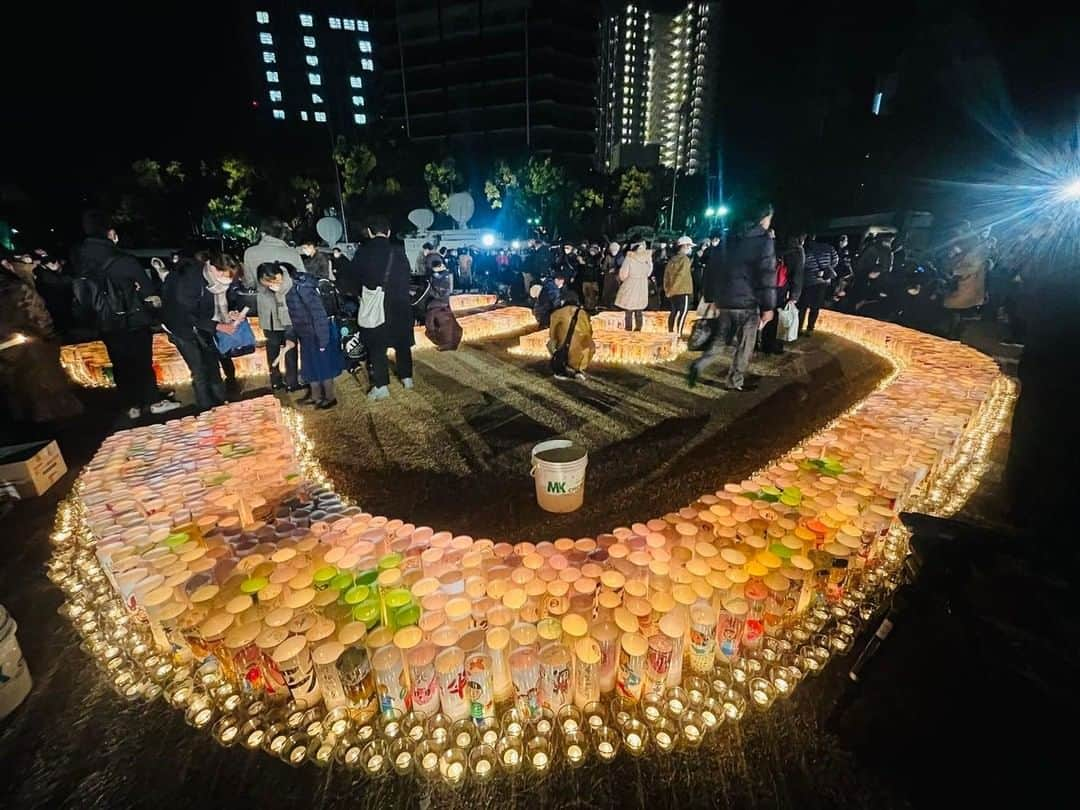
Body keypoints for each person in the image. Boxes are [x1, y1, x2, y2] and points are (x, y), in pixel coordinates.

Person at [73, 211, 180, 419]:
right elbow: (148, 291)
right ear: (111, 233)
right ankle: (153, 401)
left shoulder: (81, 262)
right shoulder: (123, 260)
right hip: (133, 319)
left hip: (104, 322)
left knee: (120, 364)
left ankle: (132, 406)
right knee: (141, 362)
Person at [688, 203, 777, 391]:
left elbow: (714, 267)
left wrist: (711, 296)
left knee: (721, 339)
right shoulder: (763, 240)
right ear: (764, 218)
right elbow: (767, 273)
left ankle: (699, 364)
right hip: (748, 302)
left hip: (725, 300)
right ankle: (734, 380)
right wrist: (768, 306)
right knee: (745, 344)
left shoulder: (729, 238)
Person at [339, 214, 415, 402]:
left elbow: (350, 281)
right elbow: (407, 277)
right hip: (401, 305)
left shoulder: (363, 253)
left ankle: (381, 386)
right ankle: (407, 378)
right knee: (402, 344)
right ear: (388, 232)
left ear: (370, 233)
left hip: (377, 307)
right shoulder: (399, 251)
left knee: (377, 347)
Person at [0, 252, 83, 423]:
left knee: (16, 390)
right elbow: (38, 315)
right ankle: (58, 426)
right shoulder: (15, 287)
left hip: (5, 350)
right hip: (30, 346)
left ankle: (25, 423)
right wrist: (49, 336)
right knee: (45, 387)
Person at [161, 251, 244, 411]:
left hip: (204, 325)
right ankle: (206, 409)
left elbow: (217, 304)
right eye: (224, 275)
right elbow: (186, 314)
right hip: (181, 327)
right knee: (199, 370)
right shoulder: (190, 279)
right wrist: (218, 326)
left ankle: (221, 405)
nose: (226, 281)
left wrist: (229, 313)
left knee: (212, 364)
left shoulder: (215, 281)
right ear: (212, 267)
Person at [257, 262, 342, 408]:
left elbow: (318, 314)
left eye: (269, 284)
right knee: (309, 367)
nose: (270, 288)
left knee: (323, 367)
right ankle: (315, 396)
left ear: (277, 277)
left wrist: (323, 340)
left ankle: (330, 397)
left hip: (317, 332)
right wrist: (290, 338)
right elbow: (291, 316)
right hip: (305, 333)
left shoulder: (301, 287)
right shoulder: (284, 290)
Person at [243, 218, 306, 392]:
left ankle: (276, 380)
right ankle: (292, 382)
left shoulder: (251, 252)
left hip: (267, 308)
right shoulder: (291, 253)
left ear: (263, 233)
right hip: (290, 307)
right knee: (291, 343)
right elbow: (302, 277)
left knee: (272, 344)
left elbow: (249, 281)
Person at [942, 234, 988, 339]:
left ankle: (955, 332)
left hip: (969, 286)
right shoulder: (971, 253)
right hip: (966, 285)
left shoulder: (976, 255)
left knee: (957, 306)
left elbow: (971, 268)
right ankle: (955, 331)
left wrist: (954, 271)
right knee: (958, 308)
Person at [547, 290, 594, 381]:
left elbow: (552, 335)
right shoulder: (584, 314)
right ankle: (578, 369)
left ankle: (562, 366)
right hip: (583, 355)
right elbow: (590, 332)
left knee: (551, 343)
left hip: (565, 351)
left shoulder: (557, 313)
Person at [798, 236, 838, 334]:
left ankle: (798, 328)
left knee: (802, 306)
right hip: (823, 282)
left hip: (808, 281)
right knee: (815, 307)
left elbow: (803, 264)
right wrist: (826, 269)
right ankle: (810, 329)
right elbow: (836, 260)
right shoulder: (829, 248)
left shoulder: (806, 249)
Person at [33, 254, 75, 338]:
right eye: (50, 263)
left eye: (54, 262)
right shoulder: (45, 275)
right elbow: (60, 283)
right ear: (44, 265)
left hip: (56, 301)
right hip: (56, 302)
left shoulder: (43, 272)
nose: (53, 265)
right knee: (62, 319)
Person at [615, 241, 652, 331]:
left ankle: (628, 330)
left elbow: (623, 274)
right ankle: (638, 328)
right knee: (639, 309)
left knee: (629, 309)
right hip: (642, 284)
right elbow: (649, 272)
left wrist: (623, 278)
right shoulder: (647, 258)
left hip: (631, 284)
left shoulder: (630, 258)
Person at [664, 236, 695, 335]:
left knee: (674, 312)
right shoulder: (685, 260)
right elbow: (680, 276)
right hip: (683, 291)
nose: (690, 248)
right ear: (684, 246)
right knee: (682, 313)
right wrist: (672, 289)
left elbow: (666, 276)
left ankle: (671, 332)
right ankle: (678, 334)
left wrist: (668, 290)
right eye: (689, 246)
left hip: (672, 292)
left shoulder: (672, 259)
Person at [600, 242, 623, 309]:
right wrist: (607, 270)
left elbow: (623, 267)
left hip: (617, 277)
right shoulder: (608, 257)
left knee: (616, 291)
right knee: (608, 291)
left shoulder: (620, 257)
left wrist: (616, 270)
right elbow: (604, 267)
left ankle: (615, 304)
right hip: (609, 277)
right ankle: (607, 304)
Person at [580, 245, 602, 311]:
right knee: (586, 295)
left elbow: (594, 265)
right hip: (585, 279)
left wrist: (584, 263)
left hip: (593, 280)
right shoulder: (587, 257)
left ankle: (593, 307)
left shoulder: (598, 258)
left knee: (593, 295)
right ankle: (587, 307)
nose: (592, 251)